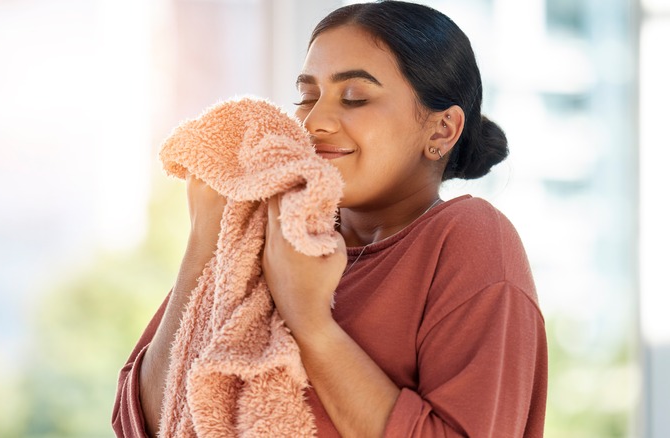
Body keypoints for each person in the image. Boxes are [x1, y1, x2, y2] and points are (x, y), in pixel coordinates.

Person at [113, 1, 547, 437]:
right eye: (306, 96)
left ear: (441, 131)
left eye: (355, 98)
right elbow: (144, 422)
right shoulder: (270, 228)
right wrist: (204, 246)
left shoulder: (470, 236)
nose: (315, 121)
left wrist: (311, 323)